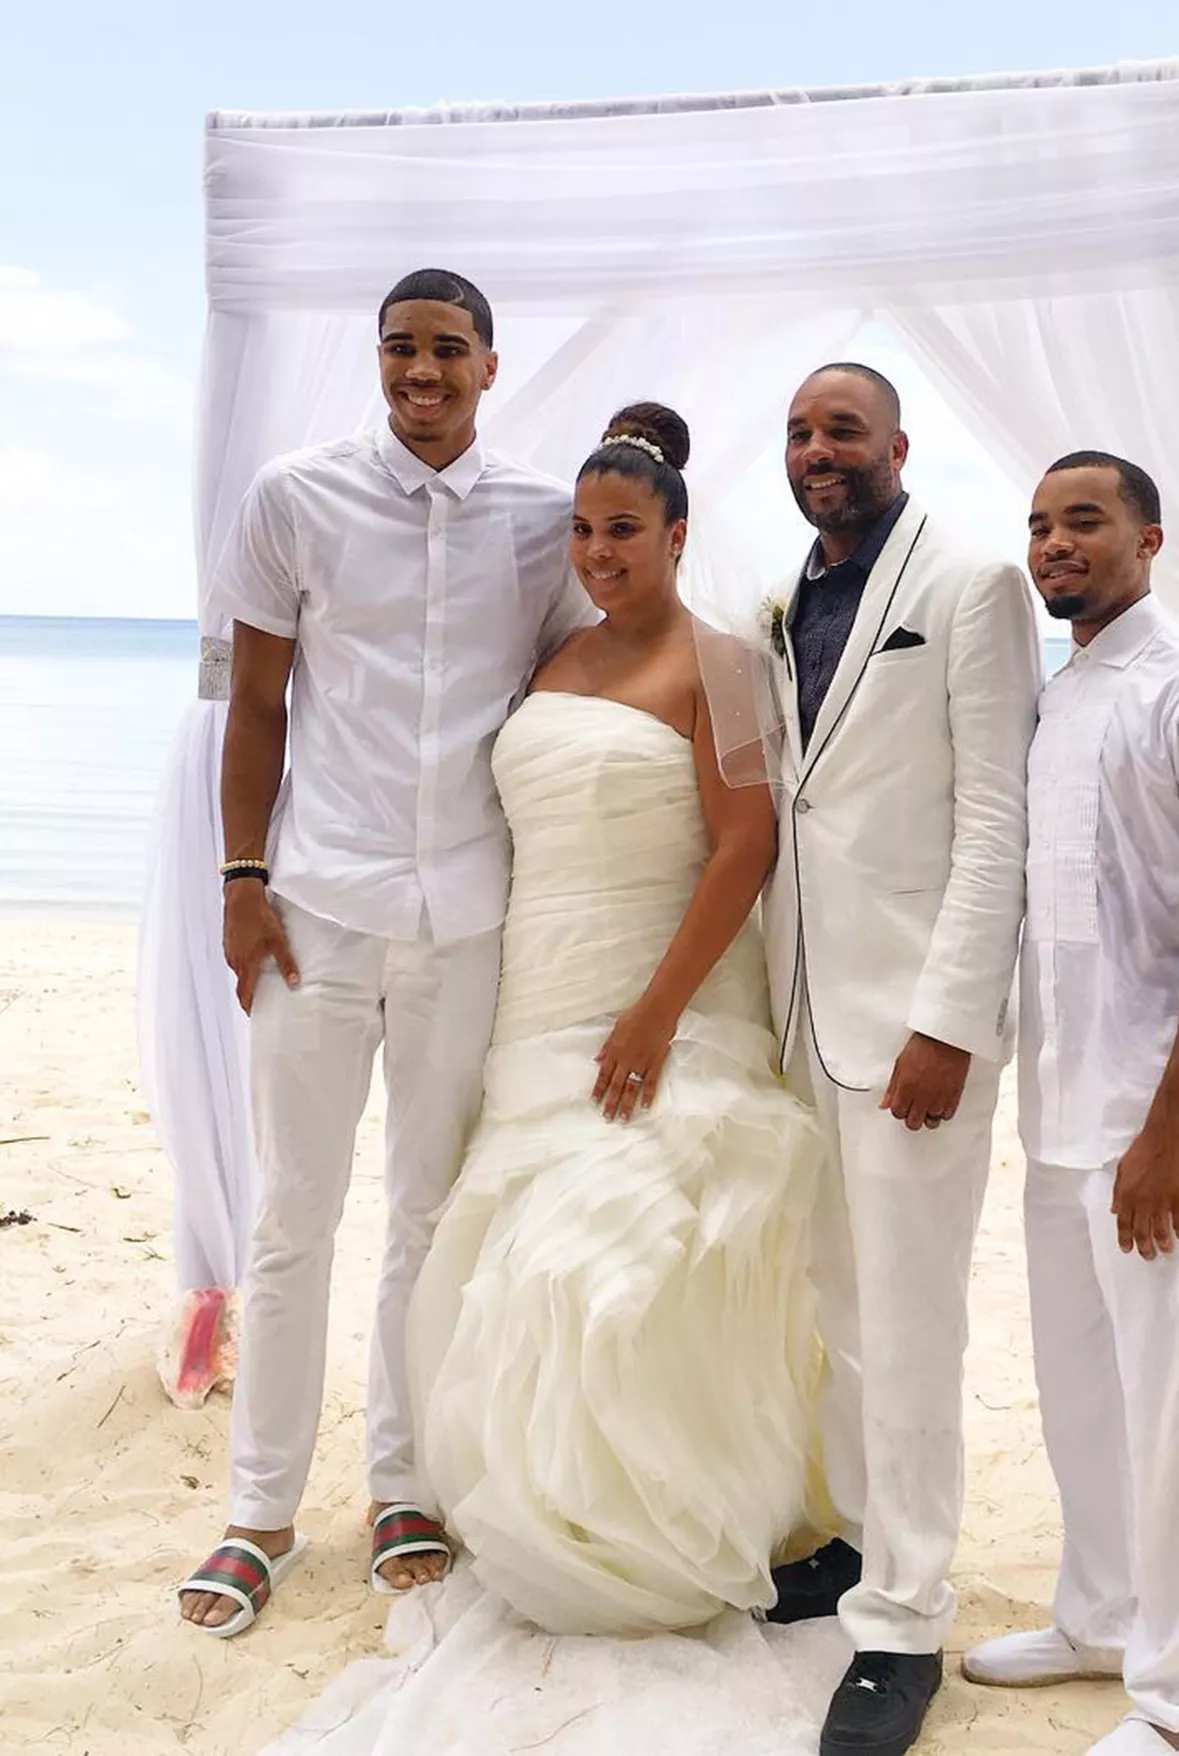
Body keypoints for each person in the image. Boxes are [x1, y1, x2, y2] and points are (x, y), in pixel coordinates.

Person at [178, 268, 594, 1636]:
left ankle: (403, 1487)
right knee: (296, 1215)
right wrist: (242, 878)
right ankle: (258, 1514)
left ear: (490, 362)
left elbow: (564, 699)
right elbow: (256, 703)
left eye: (448, 350)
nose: (422, 372)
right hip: (317, 909)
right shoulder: (295, 497)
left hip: (468, 918)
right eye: (400, 349)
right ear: (378, 359)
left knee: (427, 1215)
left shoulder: (543, 521)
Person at [406, 402, 824, 1634]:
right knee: (515, 1249)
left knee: (624, 1252)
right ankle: (540, 1501)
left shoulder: (724, 664)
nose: (599, 550)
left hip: (665, 995)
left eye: (625, 529)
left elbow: (745, 847)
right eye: (585, 530)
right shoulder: (552, 661)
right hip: (539, 983)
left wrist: (653, 1014)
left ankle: (652, 1515)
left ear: (677, 533)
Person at [962, 453, 1179, 1756]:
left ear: (1151, 535)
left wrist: (1167, 1132)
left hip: (1172, 1120)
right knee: (1084, 1389)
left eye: (1083, 521)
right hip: (1066, 1110)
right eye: (1039, 526)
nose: (1055, 544)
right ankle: (1102, 1618)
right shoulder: (1062, 696)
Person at [761, 363, 1041, 1756]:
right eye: (803, 433)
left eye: (844, 431)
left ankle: (908, 1622)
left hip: (916, 1031)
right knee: (836, 1303)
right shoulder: (789, 595)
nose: (821, 451)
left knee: (916, 1328)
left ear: (898, 448)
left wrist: (953, 1021)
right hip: (806, 1016)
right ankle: (861, 1540)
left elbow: (998, 823)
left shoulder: (976, 586)